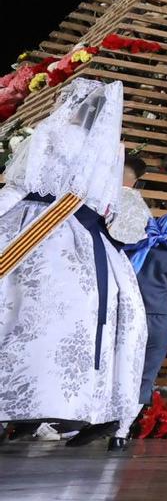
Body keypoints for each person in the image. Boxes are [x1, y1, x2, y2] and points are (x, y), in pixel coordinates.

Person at [0, 80, 148, 451]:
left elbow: (20, 182)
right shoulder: (111, 151)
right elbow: (108, 206)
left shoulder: (50, 132)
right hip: (84, 235)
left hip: (32, 223)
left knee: (15, 311)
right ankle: (79, 404)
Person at [117, 154, 167, 444]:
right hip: (157, 324)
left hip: (125, 318)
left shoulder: (135, 252)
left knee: (118, 370)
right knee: (144, 376)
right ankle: (120, 430)